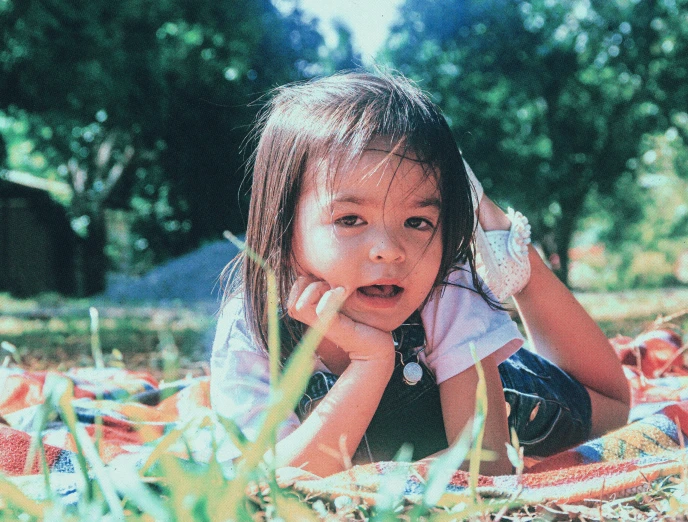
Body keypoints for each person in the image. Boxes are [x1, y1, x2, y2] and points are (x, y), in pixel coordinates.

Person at [210, 71, 630, 477]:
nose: (390, 250)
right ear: (282, 229)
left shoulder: (445, 290)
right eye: (351, 219)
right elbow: (265, 479)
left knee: (613, 407)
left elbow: (488, 465)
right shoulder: (253, 322)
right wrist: (371, 362)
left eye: (418, 221)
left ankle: (506, 248)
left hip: (512, 393)